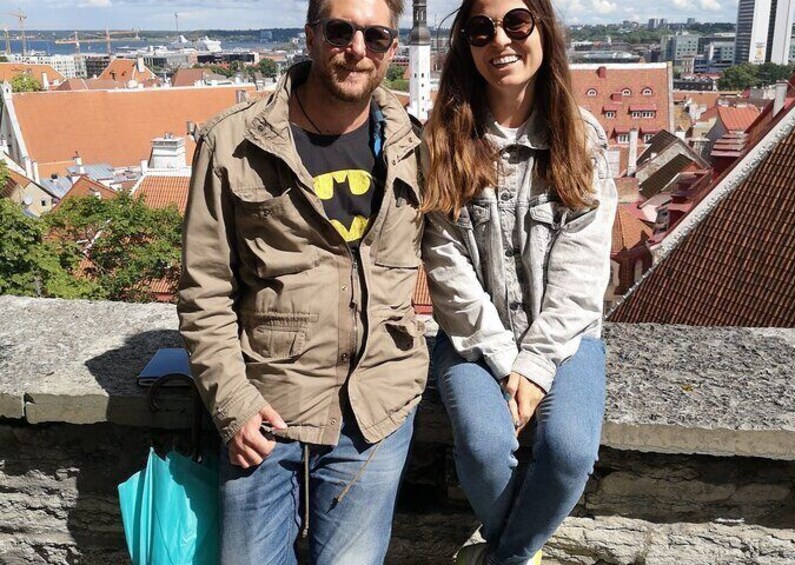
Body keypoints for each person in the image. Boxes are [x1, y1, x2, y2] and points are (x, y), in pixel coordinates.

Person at [177, 0, 429, 562]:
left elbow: (462, 257)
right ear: (311, 36)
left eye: (376, 37)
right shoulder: (235, 143)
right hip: (268, 406)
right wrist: (233, 403)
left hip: (376, 407)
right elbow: (204, 289)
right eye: (341, 31)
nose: (358, 49)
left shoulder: (415, 146)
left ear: (393, 49)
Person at [421, 0, 617, 563]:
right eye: (481, 29)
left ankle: (504, 556)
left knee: (568, 451)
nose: (500, 40)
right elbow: (446, 264)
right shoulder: (444, 140)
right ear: (466, 45)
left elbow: (582, 273)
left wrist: (535, 364)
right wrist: (507, 361)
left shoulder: (580, 137)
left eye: (516, 22)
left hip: (566, 335)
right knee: (484, 448)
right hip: (473, 337)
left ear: (543, 31)